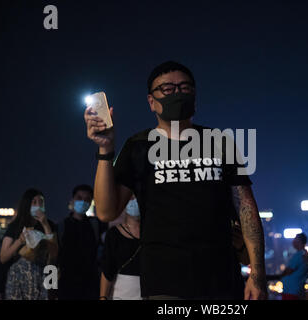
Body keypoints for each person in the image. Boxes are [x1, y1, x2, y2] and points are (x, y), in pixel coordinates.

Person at [84, 61, 267, 300]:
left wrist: (258, 275)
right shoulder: (138, 146)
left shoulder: (220, 142)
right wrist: (105, 150)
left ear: (195, 95)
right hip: (165, 284)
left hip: (221, 281)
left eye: (184, 88)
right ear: (151, 102)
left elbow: (246, 207)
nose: (177, 94)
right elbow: (107, 212)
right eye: (167, 89)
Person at [0, 188, 58, 300]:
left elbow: (54, 254)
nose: (38, 205)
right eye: (34, 202)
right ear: (26, 205)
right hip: (20, 276)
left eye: (41, 202)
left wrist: (45, 225)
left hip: (46, 273)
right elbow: (3, 257)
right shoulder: (15, 225)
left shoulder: (50, 224)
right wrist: (20, 241)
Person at [57, 184, 107, 300]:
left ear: (90, 203)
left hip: (91, 286)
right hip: (66, 286)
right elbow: (54, 258)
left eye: (87, 199)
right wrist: (52, 288)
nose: (83, 202)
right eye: (79, 198)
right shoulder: (62, 226)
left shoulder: (95, 225)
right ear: (72, 200)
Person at [100, 196, 141, 300]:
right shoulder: (114, 234)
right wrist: (103, 297)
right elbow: (107, 269)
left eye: (137, 198)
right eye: (131, 198)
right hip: (121, 293)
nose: (134, 202)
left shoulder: (153, 233)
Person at [280, 233, 308, 300]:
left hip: (292, 291)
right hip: (295, 290)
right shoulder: (304, 254)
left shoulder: (299, 255)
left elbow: (289, 270)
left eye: (295, 239)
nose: (293, 241)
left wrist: (282, 275)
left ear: (300, 241)